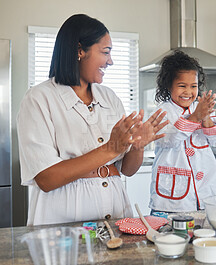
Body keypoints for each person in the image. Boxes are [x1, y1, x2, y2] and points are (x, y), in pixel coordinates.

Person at [17, 14, 168, 226]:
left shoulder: (110, 97)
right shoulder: (39, 99)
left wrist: (137, 147)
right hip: (62, 221)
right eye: (105, 52)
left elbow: (127, 170)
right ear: (80, 50)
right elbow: (46, 178)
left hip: (115, 214)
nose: (111, 61)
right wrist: (110, 148)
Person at [149, 50, 216, 212]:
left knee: (203, 234)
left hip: (205, 191)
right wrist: (196, 116)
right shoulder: (163, 112)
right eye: (182, 86)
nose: (188, 92)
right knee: (170, 234)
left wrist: (205, 118)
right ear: (169, 86)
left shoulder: (200, 108)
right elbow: (169, 139)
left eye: (194, 86)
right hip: (174, 195)